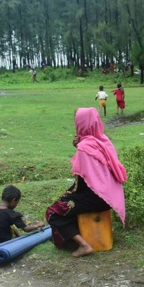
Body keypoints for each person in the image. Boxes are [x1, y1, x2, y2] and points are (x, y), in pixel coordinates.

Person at [45, 108, 127, 257]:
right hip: (109, 196)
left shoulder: (85, 147)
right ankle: (80, 237)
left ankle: (84, 245)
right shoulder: (102, 141)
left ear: (81, 124)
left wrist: (66, 197)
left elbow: (83, 181)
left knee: (53, 212)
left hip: (96, 198)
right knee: (66, 201)